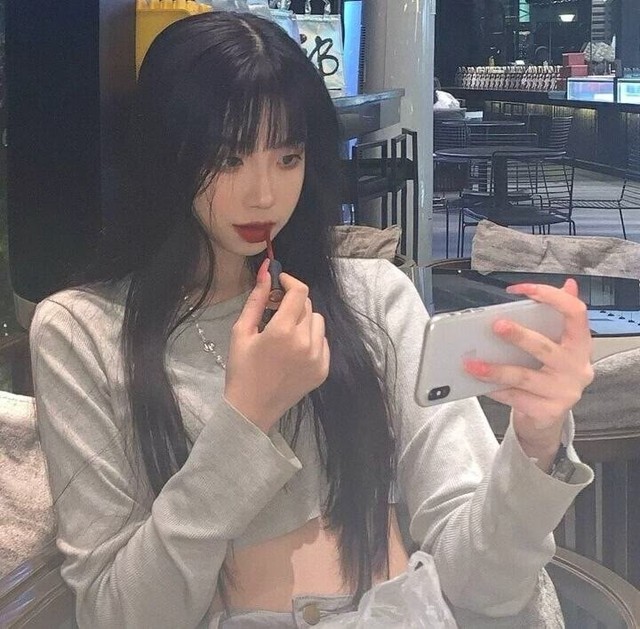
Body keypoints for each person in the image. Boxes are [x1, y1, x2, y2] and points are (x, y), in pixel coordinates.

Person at [30, 12, 594, 629]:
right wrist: (246, 419)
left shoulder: (373, 298)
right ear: (165, 155)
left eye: (288, 157)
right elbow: (118, 615)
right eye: (228, 159)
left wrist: (536, 442)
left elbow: (483, 588)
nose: (264, 194)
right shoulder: (82, 332)